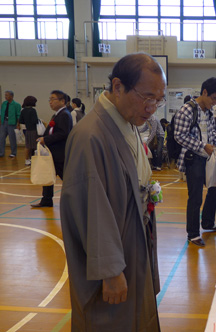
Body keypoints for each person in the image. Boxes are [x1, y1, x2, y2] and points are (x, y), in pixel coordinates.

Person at [59, 53, 165, 331]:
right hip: (113, 259)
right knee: (110, 320)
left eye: (158, 100)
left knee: (136, 316)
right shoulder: (90, 136)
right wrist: (111, 271)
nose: (152, 107)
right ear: (118, 87)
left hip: (133, 243)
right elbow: (91, 207)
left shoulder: (127, 123)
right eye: (147, 97)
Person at [174, 77, 216, 247]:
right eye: (214, 98)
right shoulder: (187, 110)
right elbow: (179, 136)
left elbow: (212, 134)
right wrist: (202, 145)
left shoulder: (208, 112)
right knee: (195, 197)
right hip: (193, 158)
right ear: (205, 92)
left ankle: (208, 222)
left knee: (215, 189)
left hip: (209, 156)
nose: (215, 103)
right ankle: (192, 233)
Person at [31, 90, 73, 208]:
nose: (50, 102)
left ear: (62, 101)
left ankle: (76, 199)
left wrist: (46, 140)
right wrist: (43, 138)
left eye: (53, 99)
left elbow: (64, 133)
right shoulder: (57, 114)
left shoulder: (64, 114)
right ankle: (46, 200)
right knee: (48, 176)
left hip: (60, 152)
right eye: (49, 99)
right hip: (53, 152)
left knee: (67, 177)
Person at [19, 96, 39, 166]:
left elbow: (21, 120)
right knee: (35, 145)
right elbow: (35, 121)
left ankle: (27, 160)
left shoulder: (23, 110)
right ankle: (34, 158)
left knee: (27, 146)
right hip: (34, 130)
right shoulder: (33, 110)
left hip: (27, 130)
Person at [0, 90, 22, 158]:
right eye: (5, 95)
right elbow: (1, 113)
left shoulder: (16, 105)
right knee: (1, 138)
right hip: (4, 122)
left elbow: (18, 115)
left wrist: (18, 124)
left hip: (12, 123)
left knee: (12, 139)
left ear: (11, 96)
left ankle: (13, 153)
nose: (5, 96)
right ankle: (1, 152)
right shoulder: (4, 103)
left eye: (7, 95)